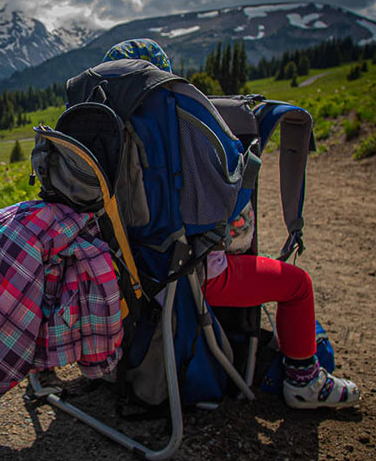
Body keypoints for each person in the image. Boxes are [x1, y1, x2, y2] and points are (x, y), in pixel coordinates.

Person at [102, 38, 360, 410]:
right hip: (191, 275)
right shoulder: (185, 135)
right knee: (298, 284)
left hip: (125, 276)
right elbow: (235, 228)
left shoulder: (102, 140)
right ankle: (304, 381)